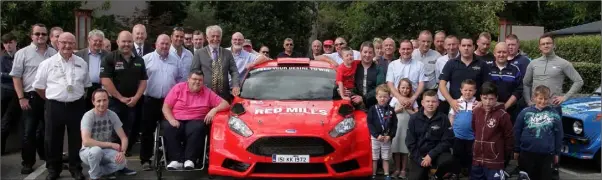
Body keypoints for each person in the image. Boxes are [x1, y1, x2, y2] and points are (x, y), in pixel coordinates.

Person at [32, 32, 89, 180]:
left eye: (71, 43)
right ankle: (53, 169)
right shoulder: (47, 64)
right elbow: (38, 86)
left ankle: (75, 168)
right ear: (58, 44)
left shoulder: (82, 63)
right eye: (64, 42)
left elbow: (86, 84)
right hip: (54, 105)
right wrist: (50, 98)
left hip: (76, 105)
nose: (67, 46)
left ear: (75, 45)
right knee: (52, 138)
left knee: (76, 138)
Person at [10, 23, 56, 174]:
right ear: (32, 36)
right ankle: (28, 162)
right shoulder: (22, 53)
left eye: (43, 34)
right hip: (30, 98)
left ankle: (51, 161)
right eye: (37, 34)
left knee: (49, 131)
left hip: (49, 97)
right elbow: (16, 77)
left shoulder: (53, 52)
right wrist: (21, 98)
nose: (40, 36)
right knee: (28, 132)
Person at [162, 70, 229, 170]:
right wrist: (171, 120)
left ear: (203, 81)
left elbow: (226, 104)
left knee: (198, 128)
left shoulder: (207, 92)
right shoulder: (178, 88)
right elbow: (166, 107)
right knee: (168, 127)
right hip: (177, 119)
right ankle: (176, 160)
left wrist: (214, 110)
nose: (197, 82)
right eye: (194, 79)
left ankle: (190, 160)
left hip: (196, 119)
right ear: (188, 79)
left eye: (200, 80)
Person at [100, 31, 147, 166]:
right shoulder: (109, 58)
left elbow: (143, 81)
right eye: (124, 41)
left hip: (133, 103)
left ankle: (121, 164)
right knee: (113, 135)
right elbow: (105, 80)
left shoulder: (139, 60)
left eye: (129, 42)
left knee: (128, 134)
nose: (126, 44)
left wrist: (136, 98)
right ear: (118, 42)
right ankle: (110, 166)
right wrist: (120, 98)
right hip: (115, 103)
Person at [139, 34, 182, 170]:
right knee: (147, 131)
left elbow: (181, 79)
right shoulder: (146, 59)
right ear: (156, 44)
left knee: (170, 129)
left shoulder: (176, 60)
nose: (164, 46)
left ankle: (169, 158)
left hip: (169, 103)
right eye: (162, 44)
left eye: (167, 44)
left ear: (170, 45)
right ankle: (145, 159)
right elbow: (139, 80)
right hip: (150, 100)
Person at [522, 34, 583, 116]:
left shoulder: (563, 63)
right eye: (543, 44)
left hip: (553, 107)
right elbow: (526, 83)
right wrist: (528, 102)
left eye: (548, 43)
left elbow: (579, 81)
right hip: (535, 107)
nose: (546, 46)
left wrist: (565, 97)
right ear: (539, 47)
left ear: (554, 45)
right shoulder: (533, 64)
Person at [513, 85, 562, 180]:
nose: (543, 101)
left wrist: (557, 153)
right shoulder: (525, 112)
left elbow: (559, 134)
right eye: (540, 98)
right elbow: (517, 131)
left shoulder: (554, 114)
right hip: (527, 153)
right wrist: (516, 149)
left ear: (549, 99)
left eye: (546, 99)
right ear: (534, 98)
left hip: (547, 155)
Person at [79, 89, 128, 180]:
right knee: (96, 151)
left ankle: (97, 171)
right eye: (98, 101)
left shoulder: (112, 115)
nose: (102, 104)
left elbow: (124, 137)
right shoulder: (88, 116)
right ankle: (95, 177)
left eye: (104, 100)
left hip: (106, 151)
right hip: (88, 151)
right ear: (93, 102)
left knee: (122, 162)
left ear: (108, 100)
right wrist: (110, 144)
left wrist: (122, 152)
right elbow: (86, 141)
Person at [406, 90, 454, 180]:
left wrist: (431, 155)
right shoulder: (414, 118)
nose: (430, 104)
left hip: (438, 153)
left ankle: (436, 176)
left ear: (438, 103)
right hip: (419, 155)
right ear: (422, 103)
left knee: (448, 160)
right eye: (428, 101)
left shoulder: (443, 118)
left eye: (433, 101)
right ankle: (425, 172)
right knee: (416, 178)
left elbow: (447, 140)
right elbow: (410, 142)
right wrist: (420, 160)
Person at [471, 82, 514, 180]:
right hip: (477, 160)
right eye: (485, 98)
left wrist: (504, 156)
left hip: (495, 161)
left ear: (496, 98)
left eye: (491, 99)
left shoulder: (503, 115)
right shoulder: (476, 112)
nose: (487, 102)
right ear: (480, 97)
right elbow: (474, 129)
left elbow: (509, 137)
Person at [190, 25, 240, 103]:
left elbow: (234, 71)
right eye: (213, 36)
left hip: (224, 96)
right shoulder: (199, 53)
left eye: (218, 36)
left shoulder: (227, 53)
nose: (215, 39)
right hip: (205, 96)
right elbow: (193, 72)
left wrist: (235, 85)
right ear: (207, 38)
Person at [439, 37, 491, 112]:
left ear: (473, 47)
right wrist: (451, 101)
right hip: (456, 106)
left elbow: (488, 86)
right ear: (459, 47)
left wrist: (482, 102)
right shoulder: (451, 63)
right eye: (463, 45)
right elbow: (442, 85)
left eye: (469, 46)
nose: (466, 48)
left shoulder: (482, 64)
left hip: (476, 107)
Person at [367, 84, 398, 180]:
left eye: (385, 97)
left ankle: (386, 174)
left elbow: (394, 125)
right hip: (376, 137)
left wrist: (390, 135)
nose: (382, 99)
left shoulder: (391, 110)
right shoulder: (372, 109)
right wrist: (376, 135)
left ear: (389, 97)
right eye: (380, 96)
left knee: (386, 157)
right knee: (374, 157)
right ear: (376, 97)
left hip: (386, 138)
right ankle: (374, 174)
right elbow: (370, 124)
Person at [74, 29, 110, 110]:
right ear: (89, 40)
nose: (98, 43)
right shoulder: (79, 55)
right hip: (84, 91)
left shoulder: (108, 55)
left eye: (100, 41)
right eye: (95, 40)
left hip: (101, 90)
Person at [387, 40, 426, 112]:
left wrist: (412, 98)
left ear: (412, 50)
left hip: (414, 101)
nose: (406, 51)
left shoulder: (420, 65)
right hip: (396, 101)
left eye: (408, 49)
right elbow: (390, 84)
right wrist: (400, 98)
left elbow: (422, 84)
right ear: (399, 50)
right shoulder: (392, 65)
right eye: (403, 49)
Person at [389, 78, 417, 179]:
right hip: (396, 129)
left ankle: (403, 169)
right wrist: (397, 110)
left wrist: (408, 109)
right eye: (403, 88)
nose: (405, 90)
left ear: (410, 89)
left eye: (407, 88)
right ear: (398, 88)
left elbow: (417, 115)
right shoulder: (394, 99)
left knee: (405, 150)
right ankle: (397, 168)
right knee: (396, 149)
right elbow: (389, 113)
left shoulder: (412, 100)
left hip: (407, 128)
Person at [448, 79, 477, 177]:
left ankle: (469, 171)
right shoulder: (456, 103)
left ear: (475, 91)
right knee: (457, 154)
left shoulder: (477, 104)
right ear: (461, 90)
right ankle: (456, 172)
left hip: (472, 136)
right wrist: (452, 128)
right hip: (457, 135)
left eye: (470, 90)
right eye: (465, 90)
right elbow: (451, 116)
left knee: (470, 155)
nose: (468, 92)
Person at [489, 42, 522, 124]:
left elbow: (519, 90)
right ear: (494, 53)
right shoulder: (487, 68)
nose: (501, 55)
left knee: (508, 135)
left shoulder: (515, 70)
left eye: (504, 52)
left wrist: (505, 106)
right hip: (489, 109)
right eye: (499, 52)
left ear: (508, 53)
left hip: (509, 110)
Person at [1, 33, 22, 155]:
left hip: (17, 92)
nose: (8, 45)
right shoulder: (3, 58)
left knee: (9, 120)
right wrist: (15, 75)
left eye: (10, 42)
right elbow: (2, 76)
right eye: (5, 43)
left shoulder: (20, 55)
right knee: (5, 120)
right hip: (6, 92)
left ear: (15, 43)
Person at [353, 41, 385, 109]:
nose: (367, 55)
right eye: (365, 52)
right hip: (354, 103)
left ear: (373, 54)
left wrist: (363, 98)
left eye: (370, 52)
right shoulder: (354, 67)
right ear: (361, 52)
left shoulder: (378, 69)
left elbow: (380, 87)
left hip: (373, 105)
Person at [434, 35, 460, 114]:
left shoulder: (463, 60)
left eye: (454, 44)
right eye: (449, 45)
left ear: (458, 45)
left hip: (458, 101)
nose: (451, 47)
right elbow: (438, 80)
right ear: (445, 46)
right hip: (443, 99)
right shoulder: (440, 61)